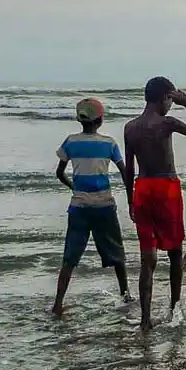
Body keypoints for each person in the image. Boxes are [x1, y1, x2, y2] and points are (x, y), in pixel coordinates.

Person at [122, 76, 186, 327]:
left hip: (142, 188)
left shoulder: (130, 127)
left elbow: (129, 168)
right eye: (171, 101)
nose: (170, 106)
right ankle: (175, 310)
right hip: (166, 188)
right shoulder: (167, 123)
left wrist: (130, 199)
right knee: (175, 253)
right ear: (165, 98)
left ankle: (145, 319)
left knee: (147, 258)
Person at [51, 98, 131, 315]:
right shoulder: (109, 143)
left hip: (79, 206)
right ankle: (126, 295)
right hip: (104, 204)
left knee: (70, 257)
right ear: (101, 120)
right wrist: (132, 197)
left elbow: (59, 173)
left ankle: (58, 304)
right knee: (117, 254)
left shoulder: (70, 142)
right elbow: (124, 172)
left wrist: (73, 186)